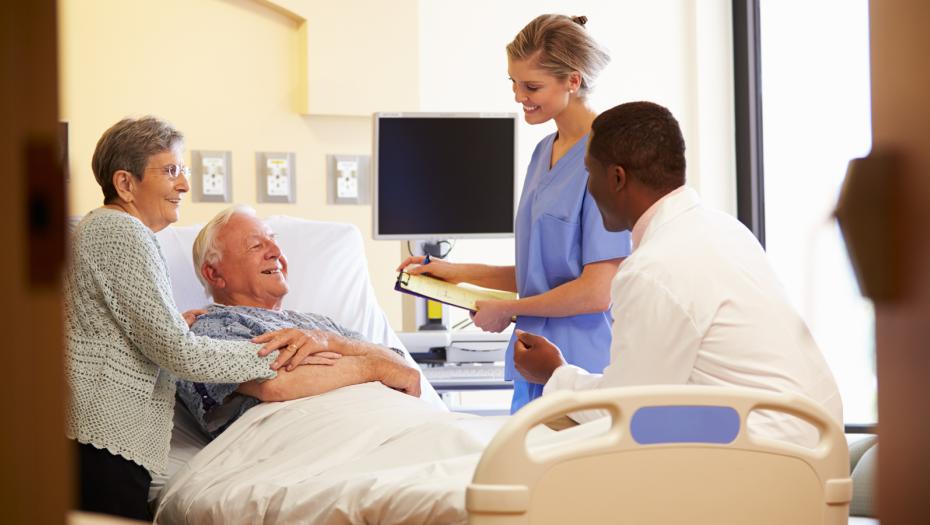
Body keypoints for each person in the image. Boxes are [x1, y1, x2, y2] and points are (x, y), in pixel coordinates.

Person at [513, 101, 843, 445]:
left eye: (589, 173)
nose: (588, 190)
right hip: (811, 443)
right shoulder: (725, 230)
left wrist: (554, 373)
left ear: (616, 178)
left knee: (536, 448)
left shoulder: (651, 270)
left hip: (765, 459)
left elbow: (623, 411)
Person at [64, 117, 319, 520]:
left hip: (97, 438)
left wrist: (170, 323)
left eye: (183, 170)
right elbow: (181, 355)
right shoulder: (121, 232)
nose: (184, 184)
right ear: (125, 184)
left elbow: (117, 330)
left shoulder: (104, 230)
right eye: (170, 171)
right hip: (103, 442)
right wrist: (277, 354)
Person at [399, 14, 631, 412]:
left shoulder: (608, 158)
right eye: (513, 82)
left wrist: (510, 309)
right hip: (532, 359)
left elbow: (597, 290)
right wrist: (456, 273)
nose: (518, 95)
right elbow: (542, 273)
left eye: (532, 86)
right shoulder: (544, 152)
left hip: (584, 368)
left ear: (572, 81)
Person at [176, 206, 423, 438]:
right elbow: (278, 385)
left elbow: (403, 371)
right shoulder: (209, 328)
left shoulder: (320, 325)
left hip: (390, 426)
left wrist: (333, 343)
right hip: (316, 440)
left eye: (274, 240)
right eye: (256, 245)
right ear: (215, 274)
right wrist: (372, 367)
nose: (276, 252)